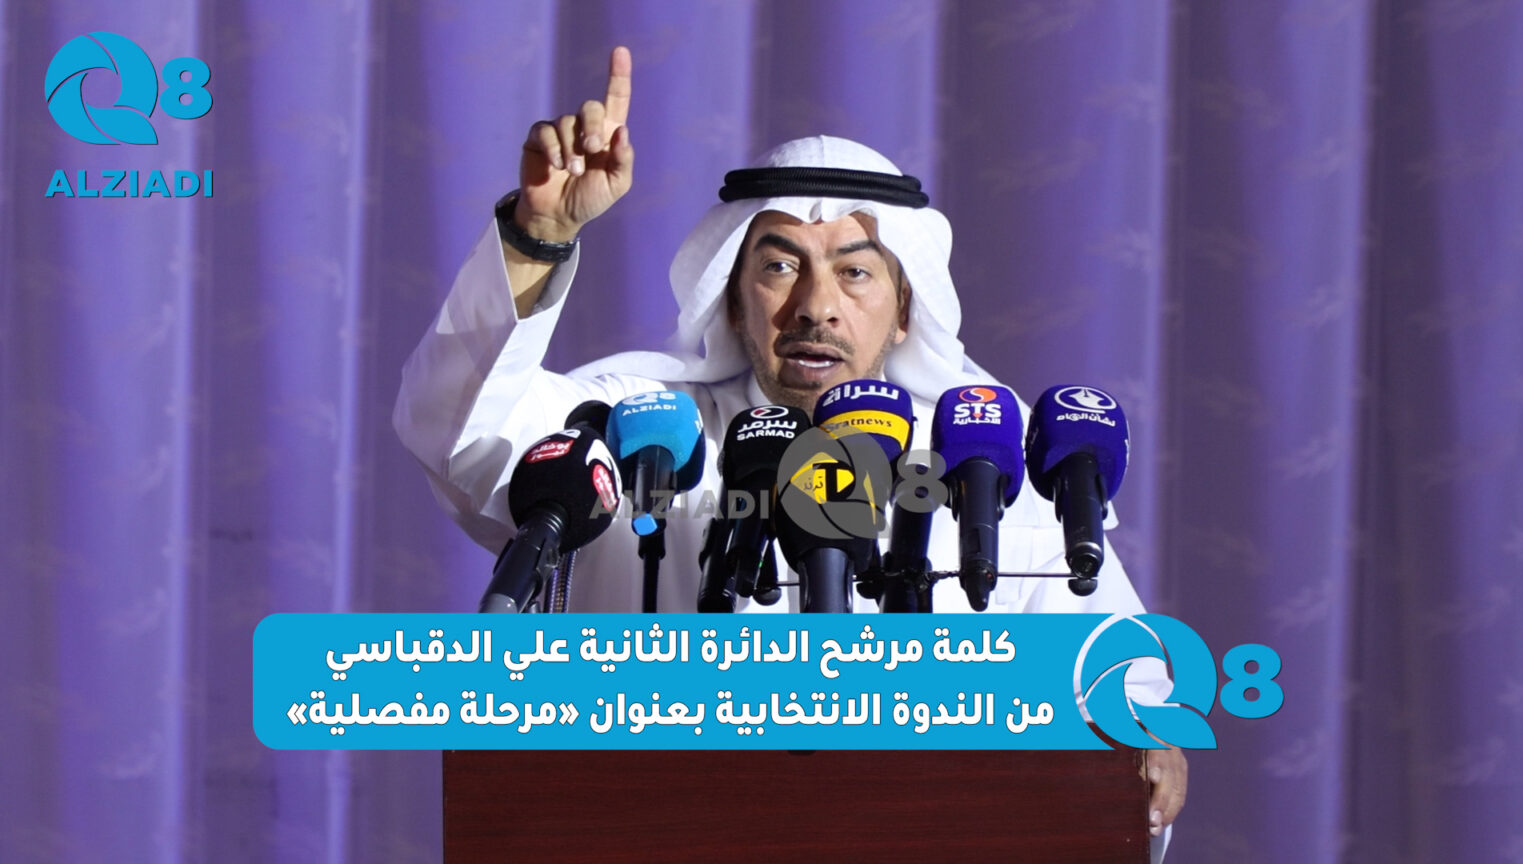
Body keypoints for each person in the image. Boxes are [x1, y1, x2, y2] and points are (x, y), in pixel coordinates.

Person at [393, 46, 1186, 842]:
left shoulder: (988, 459)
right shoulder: (643, 425)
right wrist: (538, 235)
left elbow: (1118, 679)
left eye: (856, 273)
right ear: (733, 302)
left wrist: (1143, 736)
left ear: (905, 312)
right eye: (779, 266)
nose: (816, 306)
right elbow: (463, 430)